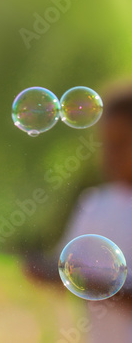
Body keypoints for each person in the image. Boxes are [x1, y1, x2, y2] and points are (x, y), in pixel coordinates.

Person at [26, 81, 132, 342]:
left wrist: (93, 283)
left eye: (120, 144)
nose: (109, 155)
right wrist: (44, 271)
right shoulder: (94, 205)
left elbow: (83, 279)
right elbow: (65, 269)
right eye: (106, 144)